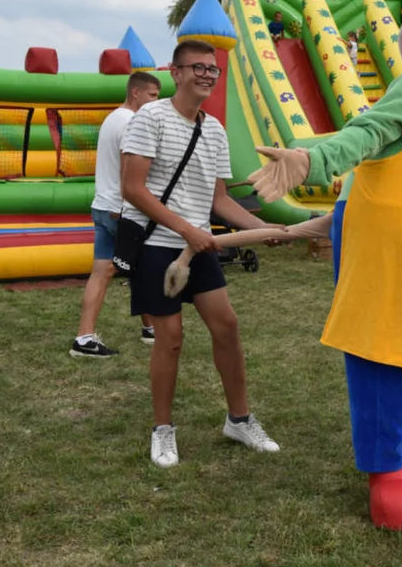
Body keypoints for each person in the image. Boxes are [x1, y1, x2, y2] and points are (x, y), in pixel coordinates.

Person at [121, 39, 286, 467]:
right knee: (170, 340)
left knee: (227, 326)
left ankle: (239, 419)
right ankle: (162, 430)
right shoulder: (149, 118)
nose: (207, 75)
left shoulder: (213, 129)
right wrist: (187, 230)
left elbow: (220, 202)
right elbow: (133, 189)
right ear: (175, 73)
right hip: (158, 245)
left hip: (199, 247)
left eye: (213, 69)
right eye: (198, 67)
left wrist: (263, 228)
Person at [70, 72, 162, 358]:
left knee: (106, 271)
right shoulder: (131, 122)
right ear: (135, 93)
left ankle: (86, 338)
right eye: (152, 96)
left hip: (103, 205)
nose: (154, 103)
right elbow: (129, 172)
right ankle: (152, 328)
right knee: (145, 268)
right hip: (121, 210)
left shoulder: (112, 118)